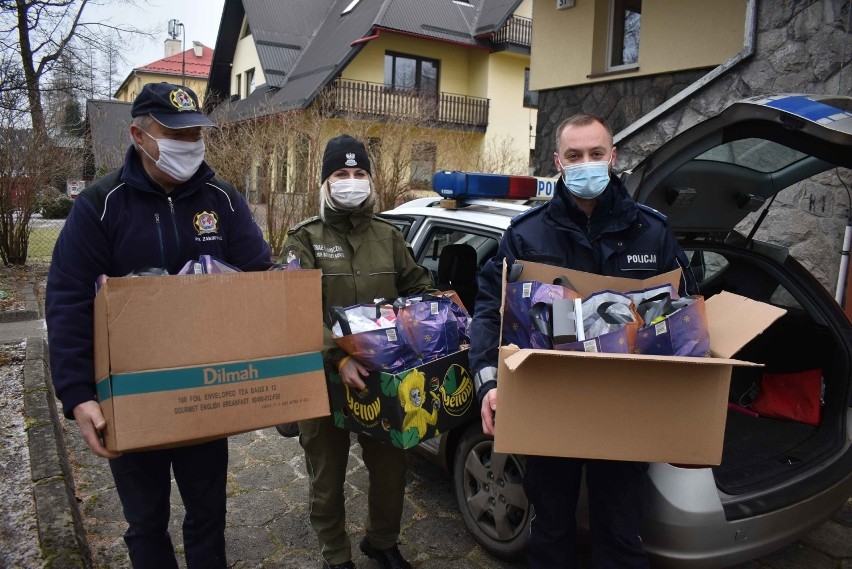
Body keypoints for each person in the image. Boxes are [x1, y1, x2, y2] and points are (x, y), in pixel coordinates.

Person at [45, 82, 272, 568]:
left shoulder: (223, 201)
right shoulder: (101, 205)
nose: (189, 145)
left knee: (208, 514)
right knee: (146, 523)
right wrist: (77, 394)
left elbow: (260, 281)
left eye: (195, 135)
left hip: (205, 391)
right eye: (175, 134)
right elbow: (67, 300)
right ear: (139, 135)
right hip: (130, 395)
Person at [468, 114, 697, 568]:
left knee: (621, 534)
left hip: (627, 408)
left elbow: (682, 314)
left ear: (613, 158)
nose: (586, 164)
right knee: (551, 531)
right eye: (574, 156)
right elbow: (489, 311)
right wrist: (489, 383)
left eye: (596, 154)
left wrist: (684, 400)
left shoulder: (652, 232)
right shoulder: (526, 234)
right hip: (551, 406)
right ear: (558, 162)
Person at [280, 134, 435, 569]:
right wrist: (339, 357)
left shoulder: (388, 236)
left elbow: (418, 287)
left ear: (370, 179)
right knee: (326, 477)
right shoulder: (304, 239)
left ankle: (382, 543)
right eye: (341, 175)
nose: (351, 182)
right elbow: (291, 312)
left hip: (382, 380)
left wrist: (431, 317)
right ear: (326, 183)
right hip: (323, 379)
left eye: (359, 173)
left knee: (391, 470)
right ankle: (336, 554)